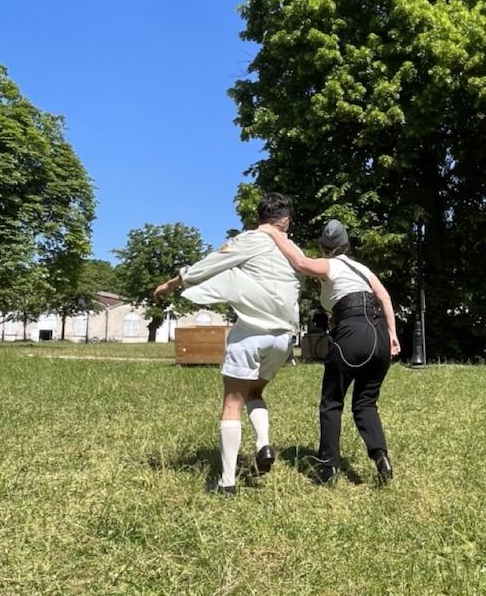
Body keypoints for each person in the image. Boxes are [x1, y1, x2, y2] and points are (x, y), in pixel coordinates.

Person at [154, 193, 300, 496]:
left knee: (232, 402)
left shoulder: (250, 240)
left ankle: (228, 481)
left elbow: (211, 264)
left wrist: (172, 284)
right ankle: (263, 443)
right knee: (255, 392)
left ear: (260, 217)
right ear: (284, 220)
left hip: (251, 334)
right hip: (283, 338)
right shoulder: (292, 249)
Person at [263, 218, 400, 486]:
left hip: (350, 334)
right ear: (346, 245)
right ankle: (381, 456)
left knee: (331, 403)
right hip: (379, 336)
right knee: (365, 403)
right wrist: (393, 334)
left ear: (324, 247)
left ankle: (329, 469)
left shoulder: (329, 265)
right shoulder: (363, 269)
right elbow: (384, 297)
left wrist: (274, 234)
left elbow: (301, 263)